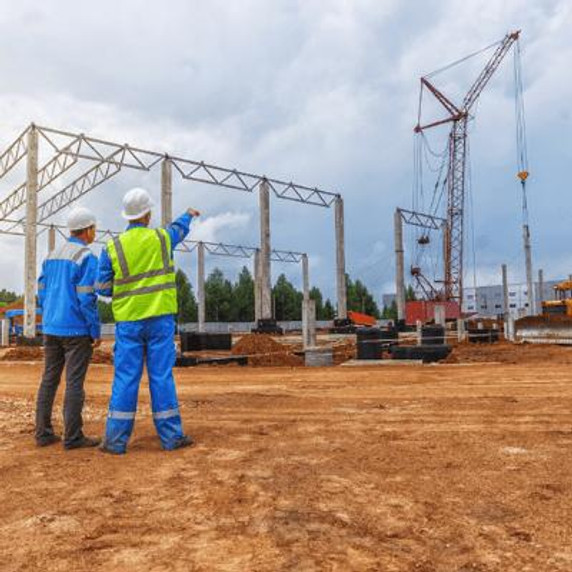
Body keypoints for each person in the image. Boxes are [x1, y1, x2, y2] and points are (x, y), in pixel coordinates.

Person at [97, 187, 200, 454]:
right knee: (161, 377)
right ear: (148, 214)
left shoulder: (112, 247)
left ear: (127, 216)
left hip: (129, 322)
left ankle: (116, 441)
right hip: (160, 320)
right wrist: (188, 215)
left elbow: (102, 287)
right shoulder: (161, 238)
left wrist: (124, 291)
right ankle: (171, 437)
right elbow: (178, 229)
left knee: (126, 378)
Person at [35, 206, 101, 450]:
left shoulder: (52, 255)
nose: (95, 232)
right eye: (94, 228)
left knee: (48, 381)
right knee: (74, 384)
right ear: (88, 229)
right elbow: (86, 298)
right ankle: (73, 437)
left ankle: (43, 434)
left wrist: (51, 314)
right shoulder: (86, 257)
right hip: (76, 331)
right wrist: (94, 330)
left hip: (51, 328)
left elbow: (41, 291)